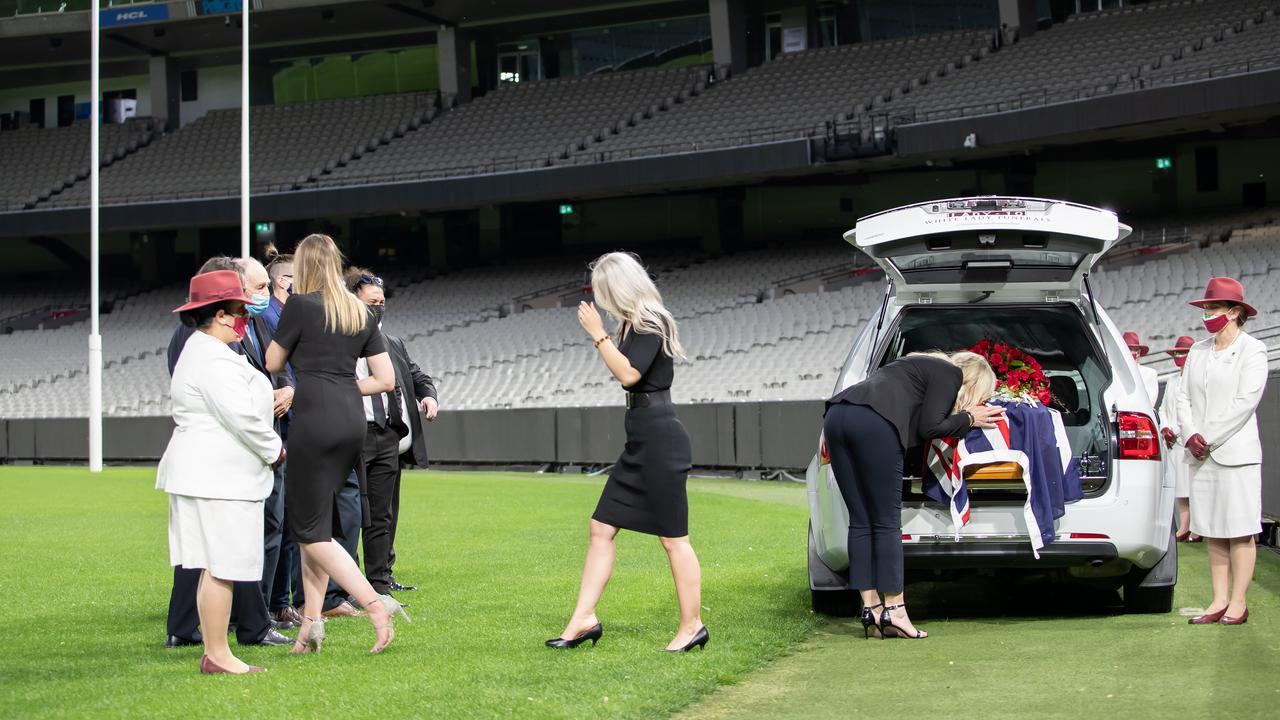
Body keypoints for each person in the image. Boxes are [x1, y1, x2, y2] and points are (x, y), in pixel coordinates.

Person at [549, 251, 706, 653]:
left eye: (602, 290)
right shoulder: (632, 325)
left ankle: (692, 625)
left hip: (659, 440)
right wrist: (607, 335)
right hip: (641, 440)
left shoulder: (651, 321)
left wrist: (597, 334)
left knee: (674, 540)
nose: (599, 298)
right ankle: (583, 619)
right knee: (601, 527)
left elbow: (629, 375)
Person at [264, 234, 409, 654]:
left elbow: (273, 362)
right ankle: (311, 624)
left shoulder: (300, 305)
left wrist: (318, 379)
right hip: (350, 421)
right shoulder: (359, 311)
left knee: (307, 532)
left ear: (306, 266)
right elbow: (385, 380)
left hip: (314, 419)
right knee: (321, 527)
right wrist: (343, 386)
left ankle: (374, 604)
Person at [156, 270, 286, 674]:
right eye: (239, 311)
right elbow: (242, 417)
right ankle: (218, 654)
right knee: (223, 564)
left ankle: (216, 651)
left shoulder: (205, 351)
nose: (245, 318)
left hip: (210, 472)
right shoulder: (210, 356)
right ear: (222, 315)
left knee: (215, 564)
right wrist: (276, 449)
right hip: (217, 476)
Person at [824, 351, 1003, 640]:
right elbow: (929, 428)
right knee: (885, 523)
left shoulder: (915, 367)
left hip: (837, 415)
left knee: (860, 520)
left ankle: (870, 609)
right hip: (875, 423)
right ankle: (896, 611)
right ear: (972, 381)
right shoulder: (950, 374)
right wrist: (969, 417)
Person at [1176, 277, 1268, 626]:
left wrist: (1207, 436)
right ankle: (1218, 600)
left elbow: (1245, 401)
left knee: (1240, 529)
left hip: (1235, 454)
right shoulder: (1198, 350)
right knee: (1213, 528)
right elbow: (1182, 396)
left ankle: (1238, 603)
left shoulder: (1253, 349)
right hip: (1200, 453)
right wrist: (1190, 435)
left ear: (1233, 312)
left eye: (1213, 308)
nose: (1207, 314)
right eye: (1206, 308)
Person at [346, 267, 439, 596]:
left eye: (382, 301)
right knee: (350, 512)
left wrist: (428, 395)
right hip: (353, 433)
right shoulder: (340, 339)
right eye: (372, 301)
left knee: (383, 514)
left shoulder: (392, 342)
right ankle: (346, 585)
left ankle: (380, 581)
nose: (379, 307)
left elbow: (417, 376)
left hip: (388, 435)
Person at [1158, 335, 1195, 541]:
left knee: (1191, 487)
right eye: (1177, 353)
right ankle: (1185, 525)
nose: (1180, 357)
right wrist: (1165, 428)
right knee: (1179, 487)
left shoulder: (1198, 378)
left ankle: (1194, 527)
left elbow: (1193, 410)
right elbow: (1163, 408)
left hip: (1187, 440)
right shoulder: (1172, 380)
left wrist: (1179, 432)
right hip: (1172, 441)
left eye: (1184, 353)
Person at [1124, 331, 1160, 410]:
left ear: (1139, 352)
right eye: (1127, 349)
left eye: (1133, 350)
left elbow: (1150, 402)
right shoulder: (1115, 373)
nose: (1130, 352)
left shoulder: (1149, 373)